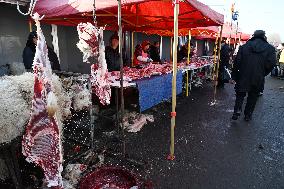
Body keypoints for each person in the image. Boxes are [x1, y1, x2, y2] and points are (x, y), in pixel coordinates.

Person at [231, 30, 276, 121]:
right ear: (264, 36)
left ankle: (237, 110)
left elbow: (237, 62)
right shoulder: (270, 48)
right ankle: (248, 115)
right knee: (253, 96)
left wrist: (235, 75)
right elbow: (271, 64)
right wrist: (263, 73)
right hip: (258, 76)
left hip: (243, 74)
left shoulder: (244, 47)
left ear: (254, 36)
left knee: (240, 94)